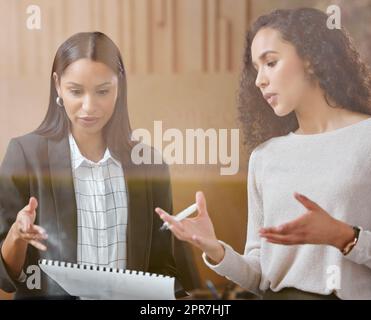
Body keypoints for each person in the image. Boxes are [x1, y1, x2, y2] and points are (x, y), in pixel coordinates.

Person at [156, 8, 371, 300]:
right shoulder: (265, 157)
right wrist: (214, 248)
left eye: (270, 62)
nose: (259, 80)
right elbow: (259, 276)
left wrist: (345, 237)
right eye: (256, 69)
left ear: (310, 58)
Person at [0, 32, 181, 299]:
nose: (89, 106)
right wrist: (17, 235)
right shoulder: (25, 155)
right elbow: (5, 278)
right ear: (57, 86)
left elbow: (162, 268)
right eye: (76, 91)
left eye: (102, 91)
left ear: (119, 86)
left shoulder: (149, 165)